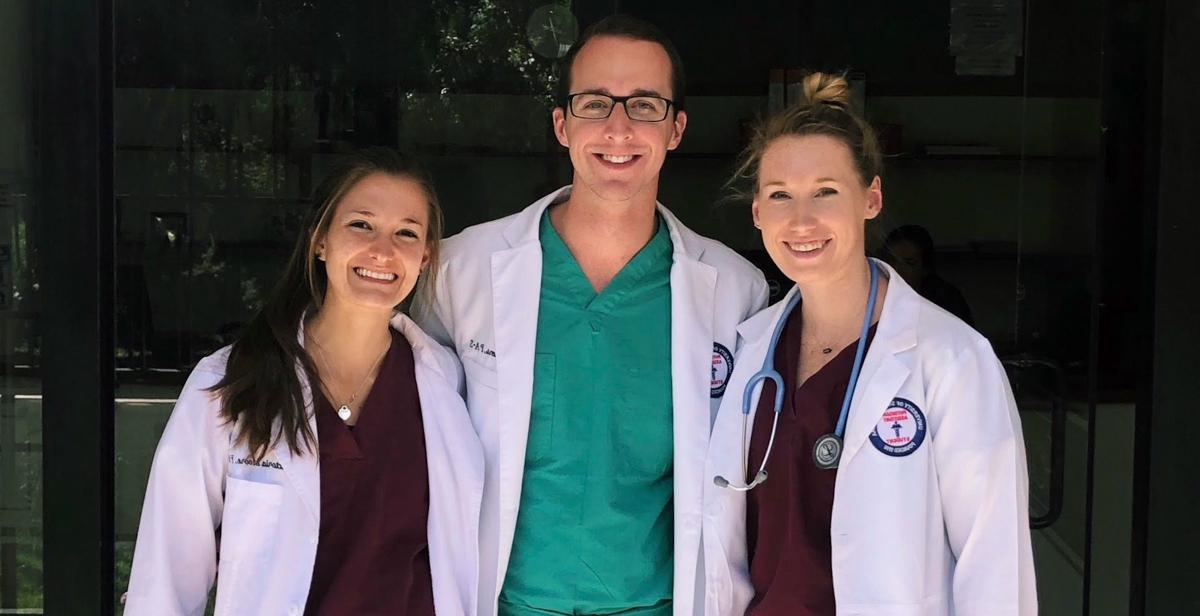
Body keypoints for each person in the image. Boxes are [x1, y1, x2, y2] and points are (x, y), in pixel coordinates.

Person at [414, 15, 768, 616]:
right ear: (561, 124)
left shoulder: (737, 291)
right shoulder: (461, 270)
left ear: (677, 128)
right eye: (596, 103)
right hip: (499, 602)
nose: (619, 127)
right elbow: (409, 440)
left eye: (646, 105)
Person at [702, 73, 1037, 615]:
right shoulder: (752, 348)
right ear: (758, 213)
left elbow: (995, 564)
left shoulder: (950, 358)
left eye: (826, 192)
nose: (802, 219)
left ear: (872, 198)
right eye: (781, 196)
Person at [124, 148, 484, 616]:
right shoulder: (230, 382)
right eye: (361, 225)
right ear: (320, 241)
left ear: (425, 257)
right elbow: (167, 572)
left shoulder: (448, 383)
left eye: (407, 233)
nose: (383, 250)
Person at [883, 224, 974, 326]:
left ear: (925, 268)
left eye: (909, 263)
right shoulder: (877, 295)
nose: (897, 269)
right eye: (892, 260)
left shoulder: (945, 300)